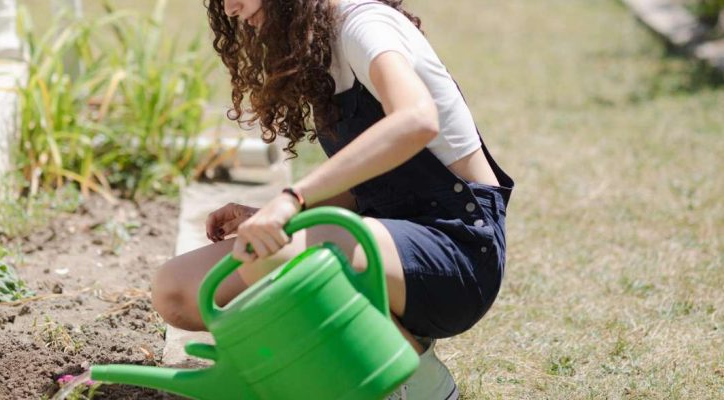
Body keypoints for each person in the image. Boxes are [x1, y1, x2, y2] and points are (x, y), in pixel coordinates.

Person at [152, 0, 514, 398]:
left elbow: (417, 120)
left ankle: (418, 380)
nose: (231, 7)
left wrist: (292, 199)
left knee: (271, 258)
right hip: (385, 242)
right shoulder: (318, 45)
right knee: (177, 289)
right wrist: (273, 215)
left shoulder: (364, 23)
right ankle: (322, 367)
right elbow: (375, 185)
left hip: (458, 250)